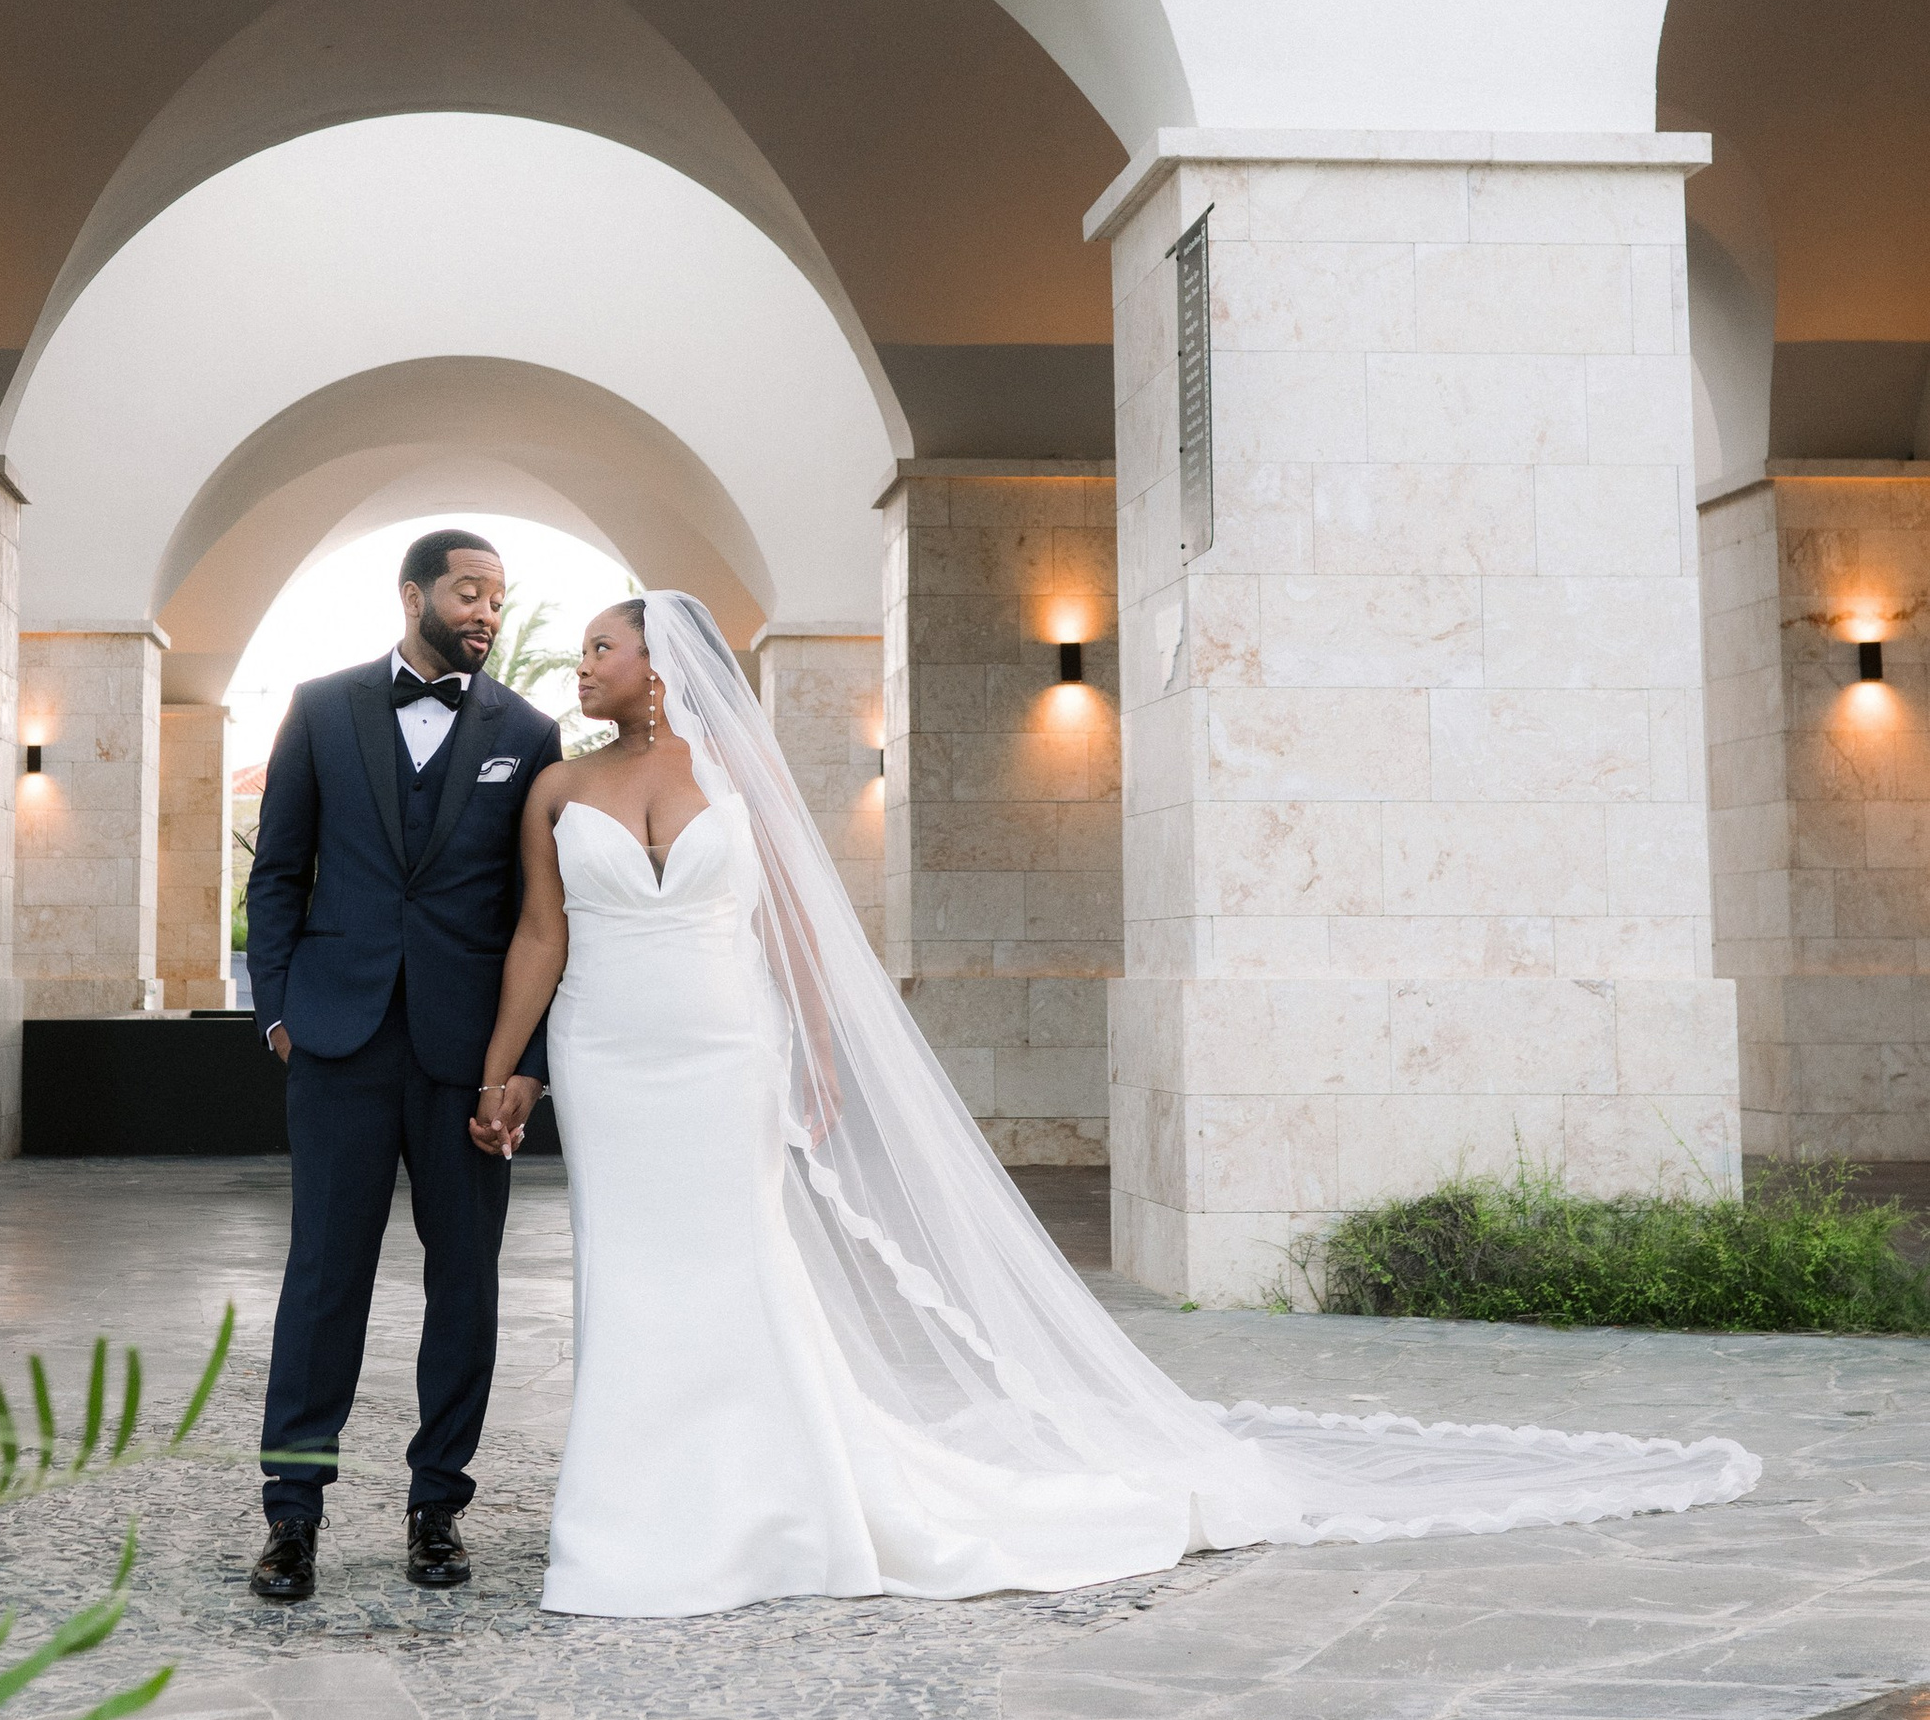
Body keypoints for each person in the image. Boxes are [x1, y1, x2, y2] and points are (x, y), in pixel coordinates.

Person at [474, 594, 1759, 1619]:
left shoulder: (744, 789)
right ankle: (633, 1513)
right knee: (631, 1270)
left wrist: (811, 1049)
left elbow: (799, 940)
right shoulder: (557, 791)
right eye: (583, 649)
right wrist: (502, 1063)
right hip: (613, 1055)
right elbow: (540, 932)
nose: (579, 666)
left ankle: (775, 1496)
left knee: (743, 1262)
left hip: (722, 1048)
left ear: (662, 665)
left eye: (600, 646)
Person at [243, 532, 562, 1601]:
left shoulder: (529, 729)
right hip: (336, 1039)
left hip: (467, 1053)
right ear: (414, 592)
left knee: (463, 1282)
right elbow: (278, 869)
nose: (487, 610)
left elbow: (539, 915)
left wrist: (526, 1064)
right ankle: (293, 1516)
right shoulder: (323, 706)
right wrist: (278, 1009)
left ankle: (439, 1508)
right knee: (323, 1278)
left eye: (500, 597)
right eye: (470, 590)